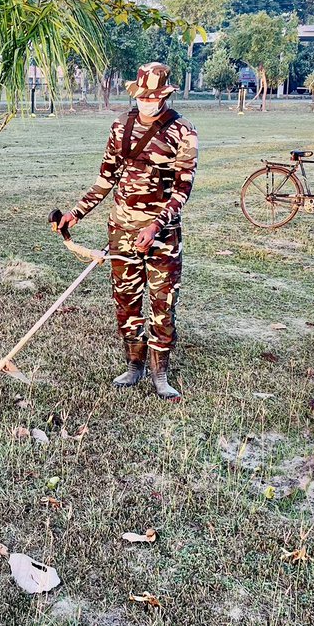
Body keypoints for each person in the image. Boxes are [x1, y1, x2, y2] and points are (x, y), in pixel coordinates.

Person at [56, 62, 198, 400]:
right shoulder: (121, 126)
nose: (147, 102)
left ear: (165, 95)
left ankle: (160, 373)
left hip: (162, 233)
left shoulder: (183, 131)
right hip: (121, 229)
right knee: (127, 301)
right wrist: (77, 213)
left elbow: (182, 189)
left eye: (154, 97)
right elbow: (106, 178)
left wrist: (156, 224)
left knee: (162, 303)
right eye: (142, 97)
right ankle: (134, 365)